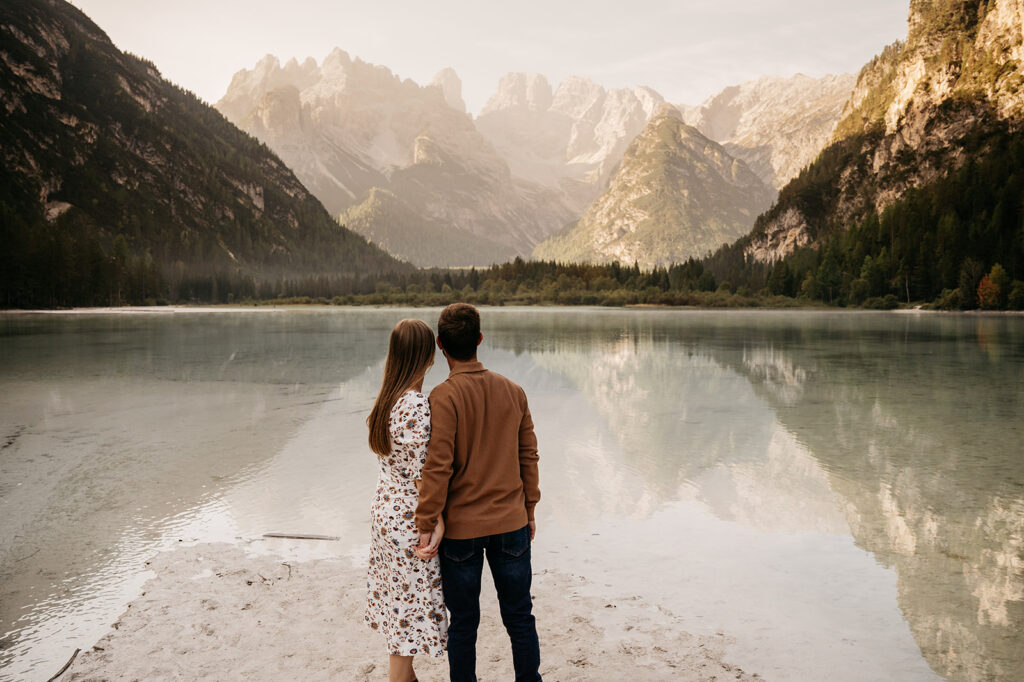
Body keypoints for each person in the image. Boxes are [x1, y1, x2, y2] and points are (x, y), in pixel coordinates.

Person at [415, 303, 542, 682]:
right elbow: (528, 455)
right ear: (480, 340)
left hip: (462, 532)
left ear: (440, 346)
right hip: (511, 523)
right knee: (519, 615)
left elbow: (438, 467)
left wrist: (425, 521)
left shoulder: (443, 396)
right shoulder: (514, 391)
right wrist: (530, 507)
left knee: (464, 624)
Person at [365, 318, 448, 682]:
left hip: (384, 509)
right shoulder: (414, 404)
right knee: (405, 623)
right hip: (407, 518)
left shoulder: (387, 397)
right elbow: (421, 474)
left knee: (399, 610)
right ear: (429, 357)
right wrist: (435, 520)